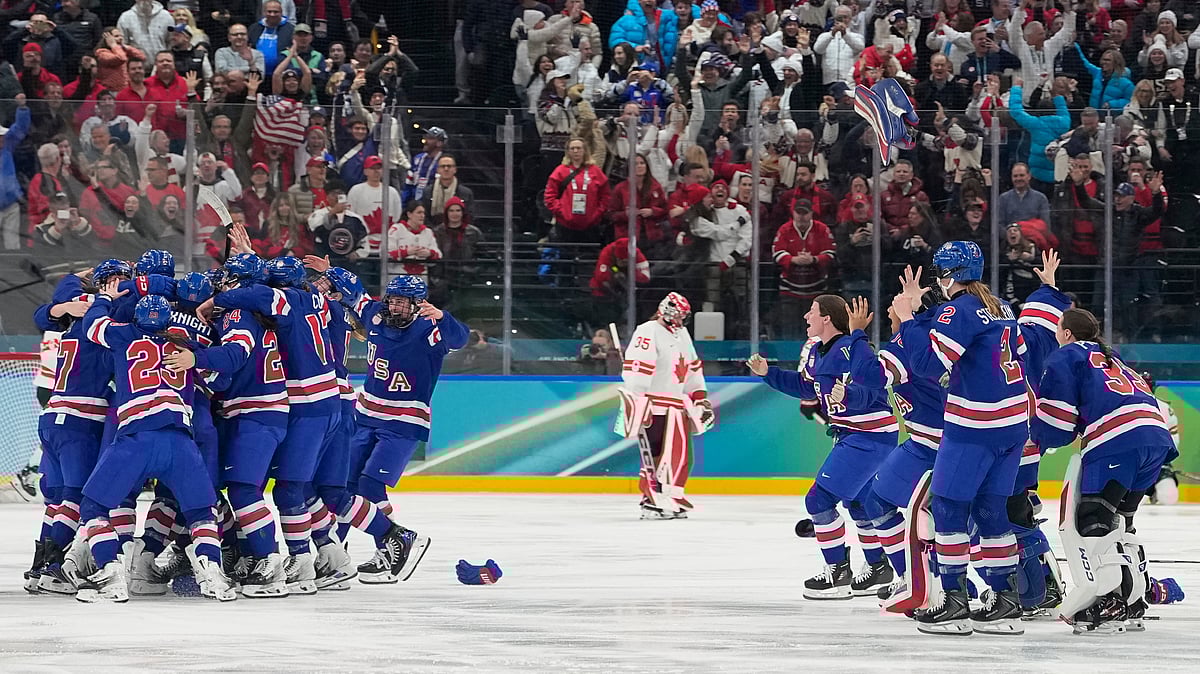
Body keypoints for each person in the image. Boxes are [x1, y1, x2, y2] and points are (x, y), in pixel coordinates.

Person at [894, 242, 1028, 635]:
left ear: (952, 273)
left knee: (949, 509)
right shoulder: (1001, 306)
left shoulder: (958, 309)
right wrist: (922, 312)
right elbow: (1013, 352)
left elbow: (926, 365)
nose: (937, 278)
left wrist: (908, 320)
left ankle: (954, 602)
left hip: (974, 427)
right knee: (991, 511)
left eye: (940, 271)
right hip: (1011, 426)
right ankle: (1007, 600)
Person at [76, 288, 234, 603]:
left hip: (136, 438)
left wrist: (105, 299)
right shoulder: (183, 346)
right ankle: (214, 575)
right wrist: (196, 355)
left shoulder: (123, 336)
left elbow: (91, 325)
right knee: (202, 512)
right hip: (180, 442)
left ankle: (110, 573)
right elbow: (220, 381)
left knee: (94, 507)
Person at [195, 256, 340, 595]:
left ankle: (271, 562)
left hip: (274, 410)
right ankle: (308, 559)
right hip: (295, 407)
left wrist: (197, 357)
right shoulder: (302, 304)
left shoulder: (253, 309)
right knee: (290, 488)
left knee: (257, 489)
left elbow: (236, 354)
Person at [1031, 308, 1174, 634]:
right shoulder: (1113, 357)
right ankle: (1133, 597)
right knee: (1121, 520)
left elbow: (1056, 421)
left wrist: (1035, 429)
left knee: (1093, 519)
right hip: (1155, 439)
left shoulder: (1066, 355)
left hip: (1117, 441)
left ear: (1067, 333)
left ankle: (1110, 598)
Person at [747, 294, 898, 599]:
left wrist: (850, 397)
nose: (806, 317)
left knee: (819, 501)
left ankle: (838, 574)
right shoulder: (817, 351)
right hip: (857, 435)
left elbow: (873, 387)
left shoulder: (852, 349)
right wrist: (769, 374)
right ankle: (879, 569)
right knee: (859, 503)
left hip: (867, 436)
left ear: (827, 318)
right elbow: (808, 387)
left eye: (812, 312)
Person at [340, 275, 464, 581]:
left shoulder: (429, 330)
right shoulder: (377, 316)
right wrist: (330, 272)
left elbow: (460, 339)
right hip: (366, 413)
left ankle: (393, 544)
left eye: (401, 302)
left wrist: (443, 317)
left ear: (418, 304)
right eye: (391, 301)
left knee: (369, 485)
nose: (394, 307)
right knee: (343, 486)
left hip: (404, 420)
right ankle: (336, 555)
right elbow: (356, 294)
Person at [619, 292, 712, 519]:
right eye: (678, 316)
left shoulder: (682, 334)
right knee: (656, 455)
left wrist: (699, 396)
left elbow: (692, 368)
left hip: (677, 406)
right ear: (666, 312)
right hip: (653, 404)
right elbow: (637, 370)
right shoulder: (648, 331)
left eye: (683, 317)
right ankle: (650, 500)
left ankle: (671, 496)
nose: (681, 321)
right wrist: (638, 400)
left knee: (680, 456)